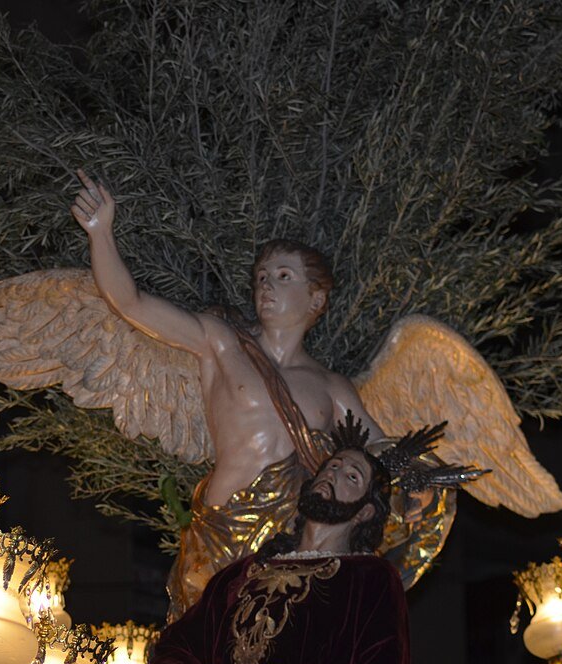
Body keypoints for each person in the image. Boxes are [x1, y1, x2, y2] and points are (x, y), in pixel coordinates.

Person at [71, 171, 383, 620]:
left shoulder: (333, 388)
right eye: (260, 277)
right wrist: (101, 233)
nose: (266, 286)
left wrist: (422, 478)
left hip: (290, 540)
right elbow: (133, 304)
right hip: (220, 528)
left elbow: (379, 456)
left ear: (316, 298)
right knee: (203, 649)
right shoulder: (221, 342)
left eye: (282, 276)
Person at [69, 414, 410, 664]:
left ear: (365, 511)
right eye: (332, 466)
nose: (333, 474)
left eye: (352, 476)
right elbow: (184, 641)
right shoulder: (242, 572)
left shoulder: (371, 576)